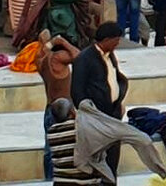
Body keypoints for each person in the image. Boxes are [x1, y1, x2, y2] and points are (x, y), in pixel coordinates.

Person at [71, 23, 129, 175]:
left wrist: (118, 102)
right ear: (107, 40)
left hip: (113, 114)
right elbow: (77, 91)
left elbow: (113, 78)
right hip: (97, 117)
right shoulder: (84, 59)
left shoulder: (110, 56)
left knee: (113, 156)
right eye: (116, 40)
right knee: (98, 159)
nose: (118, 44)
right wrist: (90, 115)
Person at [37, 29, 79, 180]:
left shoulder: (42, 60)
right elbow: (79, 56)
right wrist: (63, 42)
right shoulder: (58, 59)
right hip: (63, 111)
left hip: (49, 110)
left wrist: (49, 43)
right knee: (57, 149)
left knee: (49, 147)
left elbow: (42, 51)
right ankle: (53, 178)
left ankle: (49, 179)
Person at [44, 98, 99, 185]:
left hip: (61, 182)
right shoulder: (82, 128)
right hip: (86, 182)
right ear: (72, 112)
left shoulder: (51, 132)